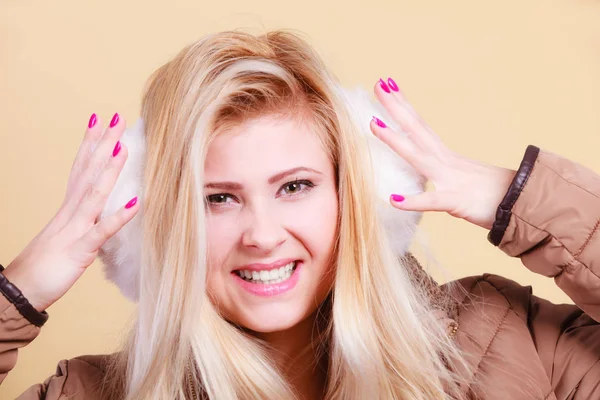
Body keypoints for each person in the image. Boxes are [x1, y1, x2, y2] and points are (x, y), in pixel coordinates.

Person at [1, 30, 599, 400]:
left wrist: (511, 195)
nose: (261, 236)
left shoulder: (508, 339)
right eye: (218, 198)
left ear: (357, 193)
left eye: (295, 186)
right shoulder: (88, 395)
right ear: (156, 227)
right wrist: (21, 288)